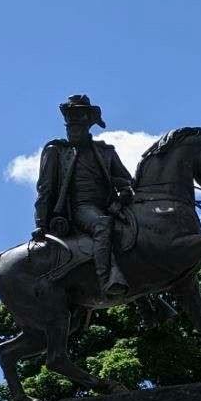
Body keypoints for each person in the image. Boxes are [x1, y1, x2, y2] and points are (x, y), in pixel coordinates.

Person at [33, 93, 135, 297]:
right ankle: (108, 282)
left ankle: (147, 299)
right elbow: (45, 189)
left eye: (77, 120)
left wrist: (122, 198)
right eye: (69, 122)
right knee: (102, 224)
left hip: (110, 207)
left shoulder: (106, 152)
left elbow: (127, 182)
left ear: (88, 123)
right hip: (79, 209)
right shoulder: (57, 151)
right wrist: (41, 224)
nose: (72, 126)